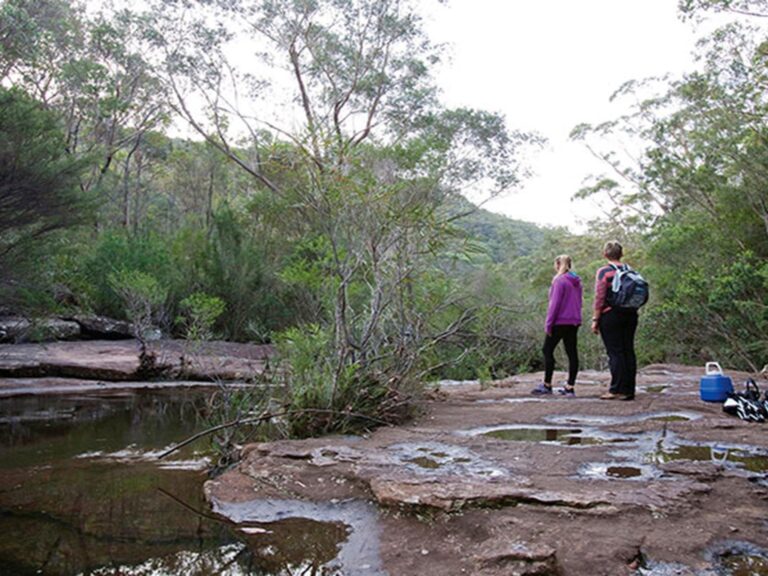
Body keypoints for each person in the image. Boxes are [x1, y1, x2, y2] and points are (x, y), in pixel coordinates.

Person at [591, 240, 638, 400]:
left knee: (615, 352)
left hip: (611, 315)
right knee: (628, 350)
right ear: (621, 253)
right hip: (631, 314)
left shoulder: (604, 271)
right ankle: (629, 390)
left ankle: (616, 389)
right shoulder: (629, 269)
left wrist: (596, 319)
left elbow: (600, 297)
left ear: (605, 254)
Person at [532, 254, 582, 397]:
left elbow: (554, 304)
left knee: (547, 350)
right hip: (573, 321)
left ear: (558, 264)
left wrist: (548, 324)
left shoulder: (559, 281)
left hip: (559, 321)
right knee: (572, 353)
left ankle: (547, 385)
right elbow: (579, 301)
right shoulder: (577, 281)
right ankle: (570, 387)